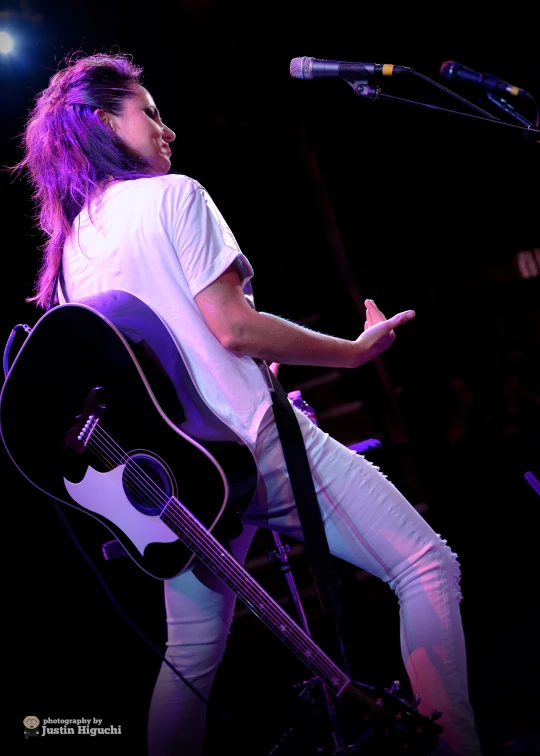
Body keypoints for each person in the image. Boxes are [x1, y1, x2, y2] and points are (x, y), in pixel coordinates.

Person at [11, 51, 483, 756]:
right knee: (426, 566)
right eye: (149, 112)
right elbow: (230, 327)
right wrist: (354, 351)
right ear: (105, 121)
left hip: (191, 488)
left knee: (190, 660)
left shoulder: (73, 252)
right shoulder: (175, 196)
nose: (166, 130)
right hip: (254, 445)